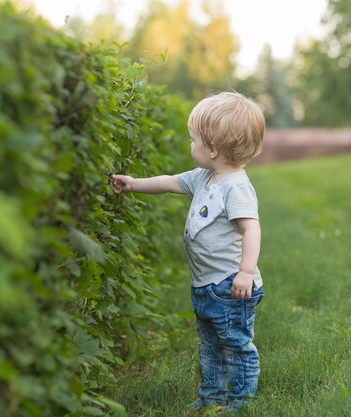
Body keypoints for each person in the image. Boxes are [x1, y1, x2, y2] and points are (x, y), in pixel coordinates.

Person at [111, 92, 265, 412]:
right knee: (210, 344)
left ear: (212, 148)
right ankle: (212, 396)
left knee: (234, 345)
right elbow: (167, 182)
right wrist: (133, 183)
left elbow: (251, 229)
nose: (190, 145)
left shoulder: (235, 186)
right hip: (206, 285)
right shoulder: (203, 178)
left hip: (230, 285)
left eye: (192, 139)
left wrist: (246, 272)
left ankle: (241, 401)